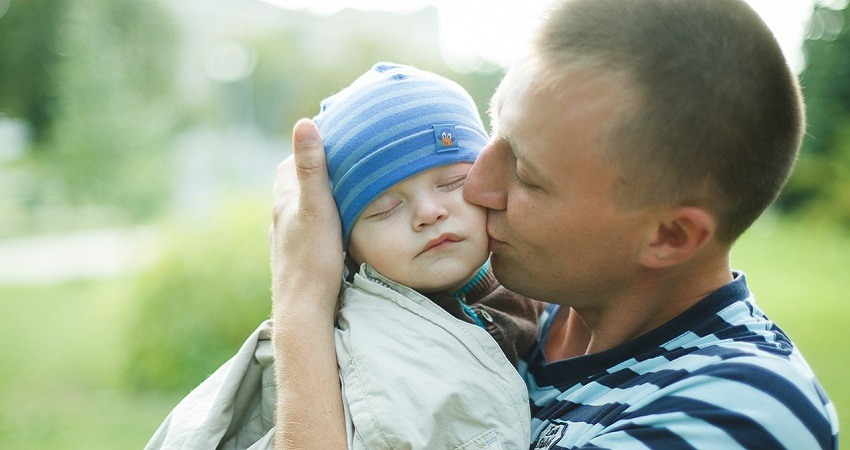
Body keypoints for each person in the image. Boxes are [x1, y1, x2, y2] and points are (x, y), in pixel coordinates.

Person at [270, 0, 839, 449]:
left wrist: (300, 298)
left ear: (668, 237)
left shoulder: (736, 412)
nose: (476, 187)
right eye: (494, 136)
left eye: (527, 174)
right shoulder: (509, 313)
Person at [148, 62, 541, 450]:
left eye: (453, 182)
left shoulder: (538, 280)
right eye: (386, 207)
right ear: (345, 245)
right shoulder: (358, 352)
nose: (428, 213)